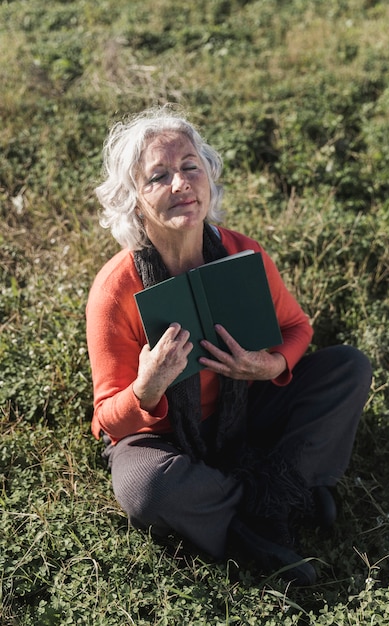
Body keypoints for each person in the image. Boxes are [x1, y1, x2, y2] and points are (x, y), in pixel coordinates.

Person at [86, 106, 372, 586]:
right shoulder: (116, 290)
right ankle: (274, 498)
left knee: (347, 368)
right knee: (144, 485)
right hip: (168, 436)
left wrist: (271, 364)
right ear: (135, 199)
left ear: (208, 177)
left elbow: (297, 326)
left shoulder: (243, 253)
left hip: (247, 411)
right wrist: (146, 388)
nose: (181, 184)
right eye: (158, 176)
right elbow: (104, 419)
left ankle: (256, 497)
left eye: (190, 167)